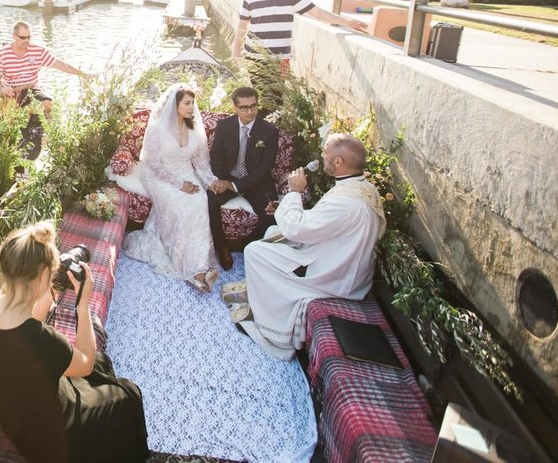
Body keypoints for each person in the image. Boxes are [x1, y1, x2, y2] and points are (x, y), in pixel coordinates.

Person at [0, 221, 148, 463]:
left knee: (101, 363)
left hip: (14, 415)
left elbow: (26, 326)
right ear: (43, 276)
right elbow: (84, 361)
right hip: (50, 435)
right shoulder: (43, 341)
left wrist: (46, 287)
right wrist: (83, 303)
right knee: (127, 392)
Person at [235, 134, 386, 360]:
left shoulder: (347, 202)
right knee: (272, 233)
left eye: (325, 152)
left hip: (336, 276)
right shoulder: (359, 186)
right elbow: (324, 223)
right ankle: (265, 300)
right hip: (338, 255)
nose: (321, 156)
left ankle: (274, 330)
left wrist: (294, 192)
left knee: (254, 252)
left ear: (338, 162)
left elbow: (296, 229)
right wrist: (282, 206)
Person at [122, 82, 221, 292]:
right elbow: (151, 162)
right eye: (187, 103)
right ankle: (192, 270)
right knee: (180, 206)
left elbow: (201, 161)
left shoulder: (194, 128)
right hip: (159, 176)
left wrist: (210, 181)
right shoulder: (158, 128)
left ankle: (199, 267)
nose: (191, 107)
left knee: (199, 204)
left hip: (186, 172)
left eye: (193, 103)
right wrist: (178, 184)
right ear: (174, 105)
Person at [230, 0, 366, 68]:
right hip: (254, 56)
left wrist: (347, 22)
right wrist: (236, 53)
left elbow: (318, 13)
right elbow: (242, 27)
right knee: (256, 98)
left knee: (277, 99)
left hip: (280, 58)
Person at [206, 86, 280, 268]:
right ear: (235, 108)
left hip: (258, 182)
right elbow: (216, 156)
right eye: (244, 107)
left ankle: (248, 245)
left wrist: (238, 186)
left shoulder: (269, 131)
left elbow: (265, 167)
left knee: (272, 213)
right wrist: (221, 180)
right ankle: (222, 247)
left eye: (253, 106)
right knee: (210, 201)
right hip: (228, 178)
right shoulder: (224, 126)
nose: (250, 111)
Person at [0, 21, 88, 115]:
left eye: (29, 37)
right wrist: (2, 89)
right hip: (11, 91)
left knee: (48, 103)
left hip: (32, 89)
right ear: (14, 36)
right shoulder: (3, 53)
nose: (27, 40)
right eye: (23, 37)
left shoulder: (38, 51)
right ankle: (20, 112)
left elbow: (60, 64)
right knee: (2, 110)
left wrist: (83, 74)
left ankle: (20, 113)